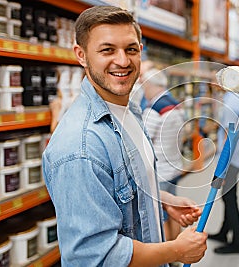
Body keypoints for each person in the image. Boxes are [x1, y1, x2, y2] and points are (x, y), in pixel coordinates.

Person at [42, 6, 207, 266]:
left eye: (131, 49)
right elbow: (98, 255)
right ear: (81, 55)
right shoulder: (80, 146)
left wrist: (161, 200)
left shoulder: (130, 110)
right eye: (107, 50)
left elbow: (122, 185)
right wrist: (176, 251)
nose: (123, 60)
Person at [140, 68, 185, 245]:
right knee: (175, 212)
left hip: (160, 172)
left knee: (161, 217)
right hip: (175, 167)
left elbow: (143, 141)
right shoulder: (175, 105)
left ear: (151, 85)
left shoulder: (154, 109)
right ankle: (177, 253)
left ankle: (168, 255)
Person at [208, 90, 239, 254]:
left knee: (229, 198)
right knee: (227, 197)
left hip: (230, 160)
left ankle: (236, 243)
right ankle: (224, 233)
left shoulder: (230, 103)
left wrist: (223, 170)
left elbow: (229, 137)